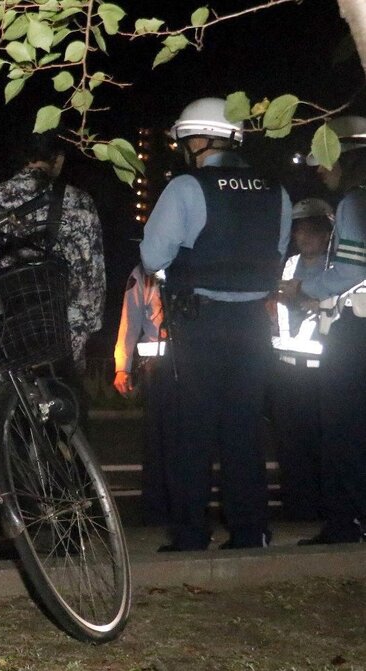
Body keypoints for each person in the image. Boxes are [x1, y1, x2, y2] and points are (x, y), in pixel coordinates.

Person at [140, 97, 291, 551]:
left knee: (193, 430)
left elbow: (152, 257)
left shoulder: (188, 187)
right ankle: (251, 531)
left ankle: (190, 533)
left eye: (186, 141)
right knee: (244, 430)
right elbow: (277, 255)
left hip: (200, 323)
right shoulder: (275, 190)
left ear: (200, 139)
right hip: (251, 325)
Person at [0, 128, 105, 421]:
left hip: (5, 343)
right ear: (59, 160)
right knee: (67, 429)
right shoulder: (78, 203)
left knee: (5, 431)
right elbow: (92, 286)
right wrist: (83, 334)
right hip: (60, 344)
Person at [280, 116, 366, 544]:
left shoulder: (355, 203)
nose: (318, 169)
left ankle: (343, 522)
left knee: (341, 429)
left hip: (356, 331)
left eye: (323, 160)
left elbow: (350, 269)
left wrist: (302, 287)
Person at [270, 198, 334, 521]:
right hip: (285, 372)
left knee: (321, 445)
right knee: (290, 447)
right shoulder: (287, 266)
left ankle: (324, 508)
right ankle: (297, 507)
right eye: (300, 230)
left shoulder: (336, 271)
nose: (304, 236)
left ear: (327, 234)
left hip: (321, 375)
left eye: (312, 230)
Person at [113, 263, 170, 525]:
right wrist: (122, 368)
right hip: (157, 370)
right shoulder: (143, 274)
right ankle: (156, 508)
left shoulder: (192, 262)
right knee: (157, 440)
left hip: (192, 368)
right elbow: (130, 322)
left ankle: (184, 503)